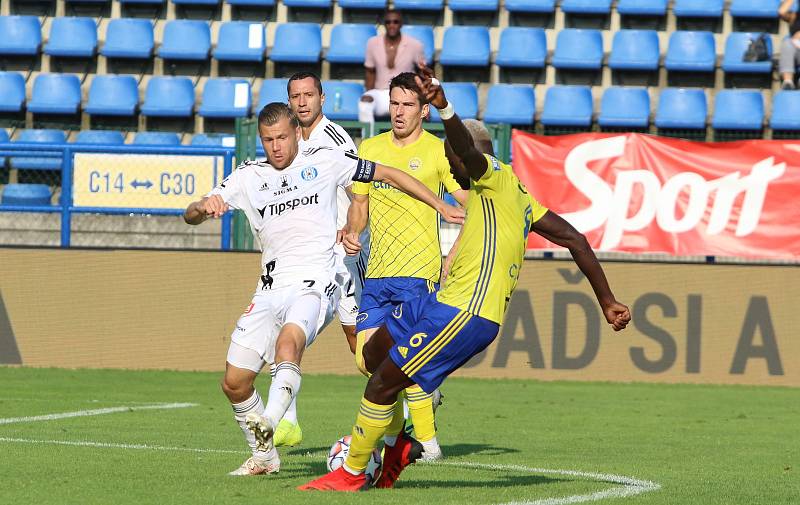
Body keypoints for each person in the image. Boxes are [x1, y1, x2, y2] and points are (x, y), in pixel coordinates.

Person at [299, 67, 632, 491]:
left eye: (455, 162)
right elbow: (576, 239)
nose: (452, 170)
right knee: (371, 359)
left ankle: (350, 474)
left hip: (466, 312)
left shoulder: (489, 173)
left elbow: (467, 153)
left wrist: (444, 107)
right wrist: (606, 300)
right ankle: (402, 447)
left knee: (383, 384)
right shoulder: (520, 196)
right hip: (441, 300)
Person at [183, 102, 464, 477]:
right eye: (268, 140)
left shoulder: (327, 160)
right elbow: (190, 213)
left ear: (297, 133)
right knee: (234, 383)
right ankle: (264, 456)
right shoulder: (248, 176)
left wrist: (441, 206)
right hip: (268, 287)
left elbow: (392, 174)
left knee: (289, 343)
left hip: (316, 281)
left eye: (282, 137)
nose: (276, 146)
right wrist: (203, 208)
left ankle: (271, 420)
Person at [344, 71, 468, 462]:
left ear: (424, 109)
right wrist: (351, 229)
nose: (398, 112)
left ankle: (426, 443)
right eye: (394, 103)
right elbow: (360, 204)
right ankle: (402, 436)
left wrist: (454, 255)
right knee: (368, 362)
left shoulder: (437, 151)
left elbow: (470, 205)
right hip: (375, 276)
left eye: (408, 105)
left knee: (404, 359)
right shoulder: (371, 147)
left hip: (419, 277)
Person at [265, 71, 370, 448]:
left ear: (322, 98)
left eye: (309, 95)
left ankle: (409, 399)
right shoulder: (289, 142)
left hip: (342, 258)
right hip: (303, 258)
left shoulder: (335, 140)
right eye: (295, 96)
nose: (302, 102)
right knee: (286, 330)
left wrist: (351, 230)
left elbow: (360, 194)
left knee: (359, 342)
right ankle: (287, 423)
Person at [359, 9, 425, 125]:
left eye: (395, 22)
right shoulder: (372, 43)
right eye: (388, 22)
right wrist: (370, 93)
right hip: (380, 93)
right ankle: (368, 141)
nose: (392, 25)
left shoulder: (415, 45)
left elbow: (422, 73)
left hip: (406, 92)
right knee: (365, 101)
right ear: (384, 24)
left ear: (401, 24)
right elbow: (370, 72)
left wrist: (423, 99)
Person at [779, 0, 800, 89]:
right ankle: (788, 83)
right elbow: (782, 12)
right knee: (787, 43)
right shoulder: (795, 16)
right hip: (797, 52)